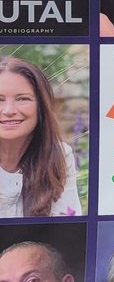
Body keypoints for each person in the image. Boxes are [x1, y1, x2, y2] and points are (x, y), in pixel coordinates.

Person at [0, 56, 83, 218]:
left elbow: (66, 222)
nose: (9, 110)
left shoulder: (59, 155)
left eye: (22, 99)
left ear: (41, 106)